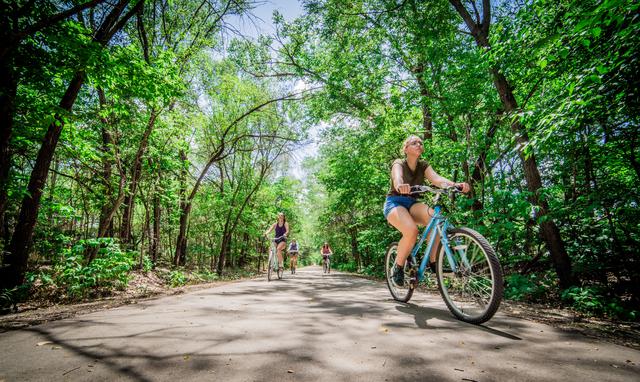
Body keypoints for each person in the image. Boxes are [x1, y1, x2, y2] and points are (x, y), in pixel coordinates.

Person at [383, 135, 470, 286]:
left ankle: (433, 261)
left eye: (420, 143)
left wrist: (456, 185)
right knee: (411, 231)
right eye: (414, 143)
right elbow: (397, 178)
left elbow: (437, 179)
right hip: (395, 203)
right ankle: (398, 266)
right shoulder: (399, 163)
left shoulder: (423, 165)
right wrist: (400, 185)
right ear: (406, 149)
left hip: (412, 203)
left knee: (435, 217)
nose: (418, 144)